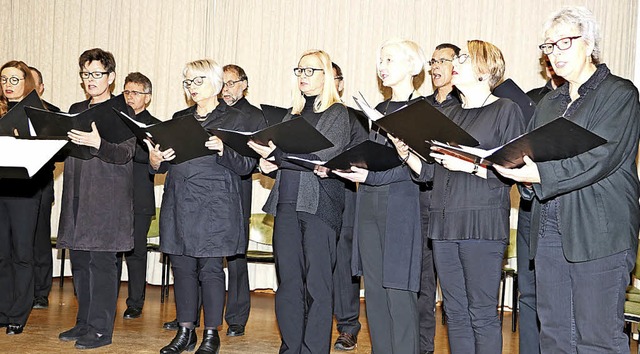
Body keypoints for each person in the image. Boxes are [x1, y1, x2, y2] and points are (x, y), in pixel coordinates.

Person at [494, 6, 640, 353]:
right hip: (548, 232)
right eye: (548, 46)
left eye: (563, 43)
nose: (554, 54)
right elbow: (535, 157)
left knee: (597, 338)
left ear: (588, 43)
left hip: (598, 233)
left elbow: (601, 158)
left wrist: (540, 174)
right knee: (555, 335)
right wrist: (523, 177)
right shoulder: (548, 103)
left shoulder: (619, 94)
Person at [391, 39, 525, 353]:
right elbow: (428, 173)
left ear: (484, 70)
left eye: (464, 58)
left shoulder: (506, 110)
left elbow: (515, 171)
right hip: (443, 225)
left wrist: (472, 167)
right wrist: (406, 153)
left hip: (481, 223)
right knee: (454, 313)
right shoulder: (449, 115)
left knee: (481, 314)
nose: (457, 63)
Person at [149, 59, 256, 354]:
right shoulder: (179, 117)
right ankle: (185, 331)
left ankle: (211, 333)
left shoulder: (236, 120)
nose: (191, 88)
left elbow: (248, 164)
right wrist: (156, 161)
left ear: (217, 84)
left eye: (197, 81)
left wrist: (224, 150)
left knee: (210, 269)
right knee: (182, 268)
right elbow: (164, 162)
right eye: (187, 82)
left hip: (215, 203)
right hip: (180, 200)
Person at [248, 49, 350, 354]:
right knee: (289, 284)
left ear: (327, 76)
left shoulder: (337, 113)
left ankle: (314, 349)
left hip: (319, 206)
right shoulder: (290, 116)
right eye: (300, 71)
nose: (303, 77)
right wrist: (267, 164)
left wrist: (276, 157)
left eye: (310, 71)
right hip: (286, 205)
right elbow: (285, 158)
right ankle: (291, 347)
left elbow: (323, 158)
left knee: (317, 286)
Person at [334, 38, 426, 354]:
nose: (381, 67)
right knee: (373, 291)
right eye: (380, 60)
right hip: (370, 204)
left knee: (398, 291)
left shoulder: (421, 111)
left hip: (402, 205)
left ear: (413, 66)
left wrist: (370, 175)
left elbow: (418, 168)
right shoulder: (378, 111)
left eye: (389, 60)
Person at [56, 48, 136, 349]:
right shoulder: (76, 108)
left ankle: (102, 330)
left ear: (111, 77)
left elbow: (126, 153)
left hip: (107, 201)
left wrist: (99, 143)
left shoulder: (122, 111)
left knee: (102, 265)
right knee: (79, 262)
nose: (90, 80)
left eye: (97, 74)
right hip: (77, 197)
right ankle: (84, 323)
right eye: (85, 74)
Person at [516, 55, 565, 354]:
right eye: (547, 59)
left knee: (556, 300)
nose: (553, 63)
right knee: (529, 292)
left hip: (562, 204)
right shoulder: (533, 100)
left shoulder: (585, 99)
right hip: (529, 206)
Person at [220, 64, 266, 337]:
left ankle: (237, 316)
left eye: (231, 83)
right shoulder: (213, 112)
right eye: (222, 84)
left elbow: (258, 160)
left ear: (244, 84)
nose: (226, 90)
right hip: (208, 187)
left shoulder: (256, 116)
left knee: (236, 253)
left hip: (237, 187)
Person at [0, 60, 40, 335]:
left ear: (26, 82)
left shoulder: (37, 113)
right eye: (4, 80)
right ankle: (3, 310)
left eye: (14, 79)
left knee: (22, 256)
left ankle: (18, 313)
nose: (8, 85)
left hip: (25, 192)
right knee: (1, 255)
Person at [117, 72, 160, 320]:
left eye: (135, 92)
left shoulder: (154, 125)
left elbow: (153, 158)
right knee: (110, 252)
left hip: (139, 197)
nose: (130, 97)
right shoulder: (116, 121)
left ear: (148, 97)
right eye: (126, 92)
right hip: (113, 196)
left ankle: (135, 302)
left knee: (136, 253)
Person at [331, 62, 367, 351]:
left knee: (344, 263)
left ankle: (348, 327)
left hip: (344, 194)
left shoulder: (354, 117)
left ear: (340, 84)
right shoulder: (301, 115)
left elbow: (362, 156)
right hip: (310, 196)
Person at [26, 66, 61, 310]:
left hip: (40, 185)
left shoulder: (53, 114)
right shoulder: (4, 110)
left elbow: (59, 155)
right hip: (9, 186)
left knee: (39, 239)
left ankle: (40, 292)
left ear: (40, 88)